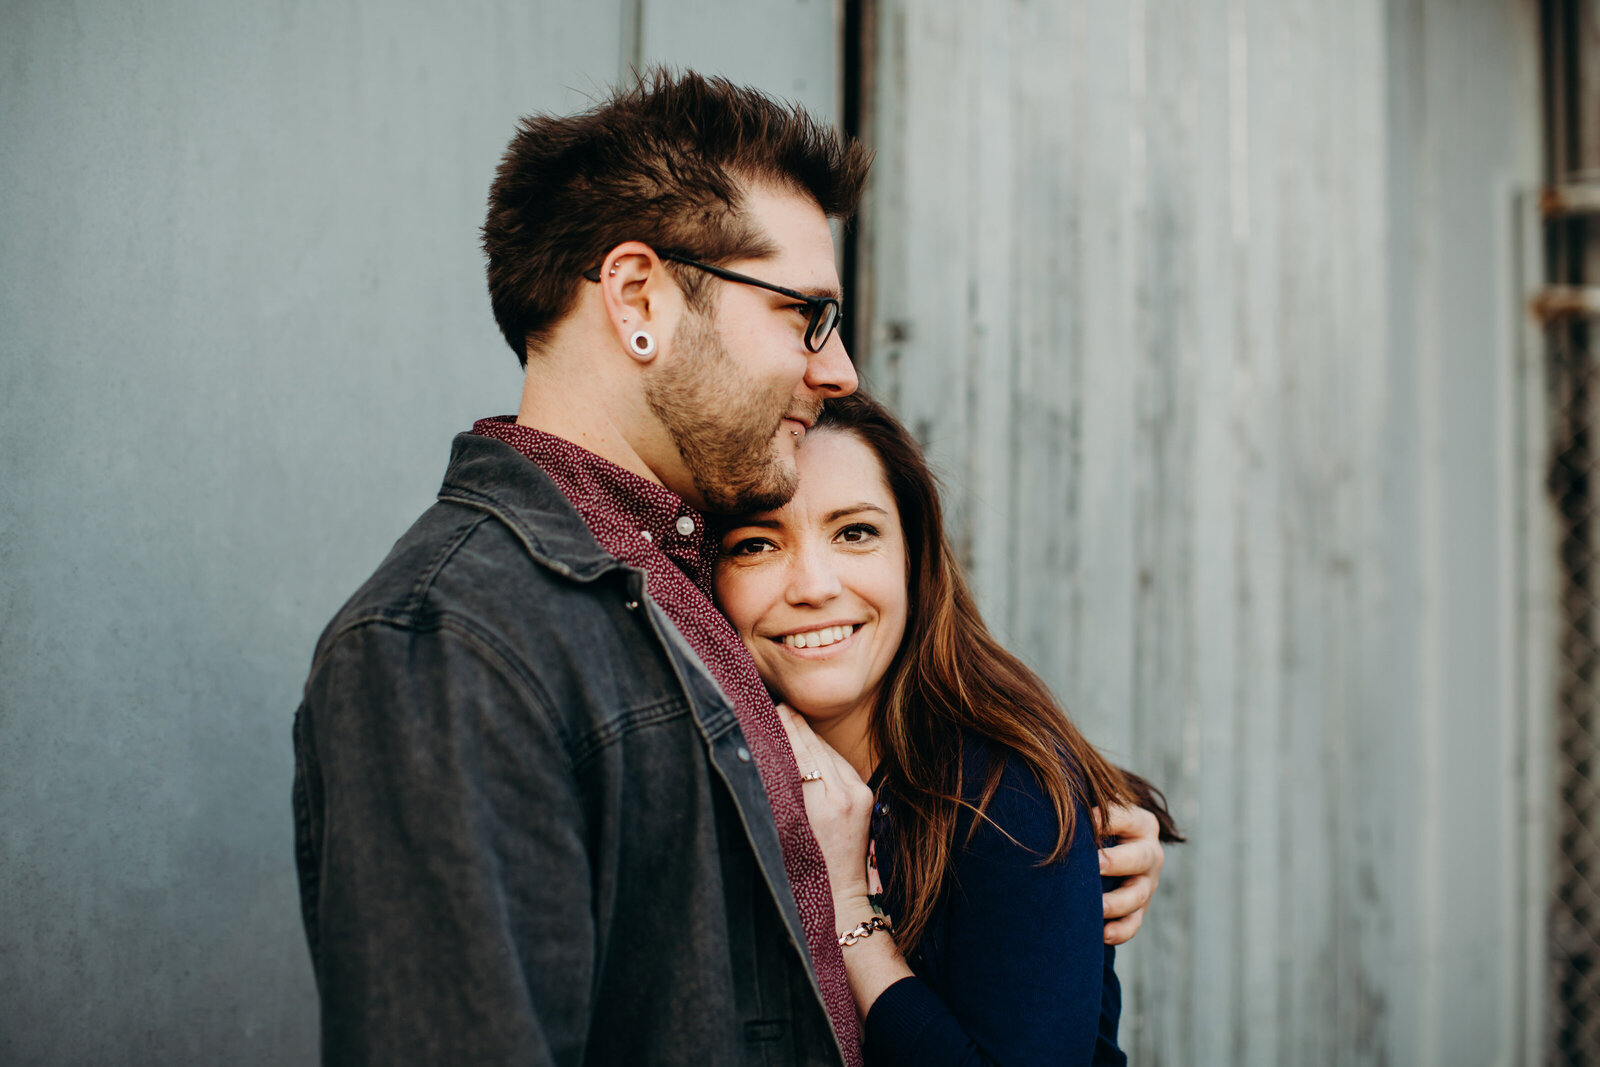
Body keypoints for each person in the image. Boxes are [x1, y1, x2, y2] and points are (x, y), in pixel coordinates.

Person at [291, 71, 1167, 1066]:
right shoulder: (452, 642)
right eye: (806, 314)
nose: (837, 370)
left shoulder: (674, 588)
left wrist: (1045, 861)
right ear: (637, 298)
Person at [713, 391, 1184, 1065]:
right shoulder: (713, 776)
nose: (813, 585)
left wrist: (849, 908)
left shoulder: (1006, 793)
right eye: (756, 543)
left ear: (914, 558)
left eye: (855, 532)